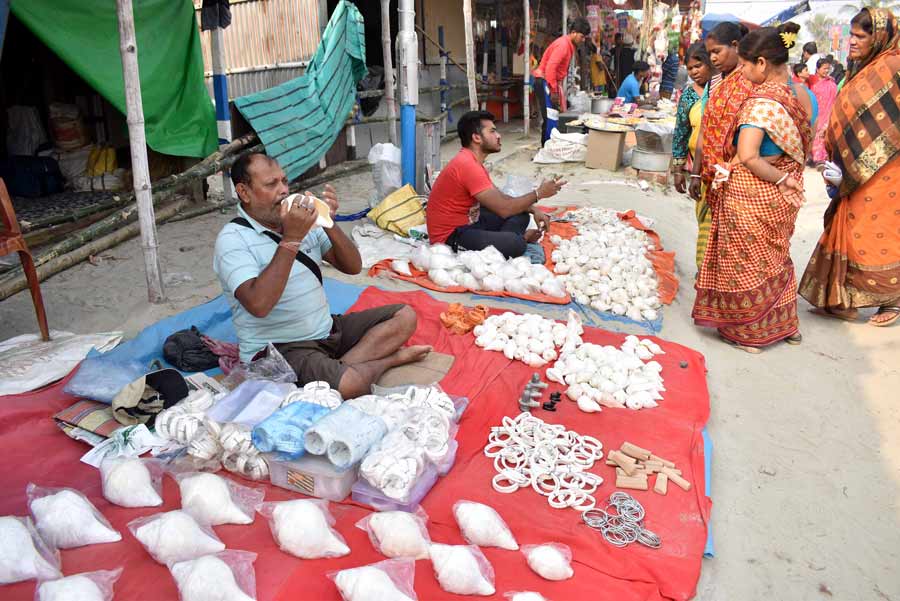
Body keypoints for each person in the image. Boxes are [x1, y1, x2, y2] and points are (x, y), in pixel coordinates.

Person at [213, 153, 431, 399]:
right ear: (244, 192)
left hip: (326, 330)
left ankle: (340, 367)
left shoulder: (301, 222)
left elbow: (352, 266)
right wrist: (291, 239)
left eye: (284, 181)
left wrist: (328, 221)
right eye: (271, 184)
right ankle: (389, 360)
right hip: (280, 348)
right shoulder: (232, 240)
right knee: (350, 386)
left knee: (405, 316)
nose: (283, 190)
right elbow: (259, 305)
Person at [693, 22, 813, 352]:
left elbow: (748, 155)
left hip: (753, 192)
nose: (742, 73)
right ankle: (786, 326)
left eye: (745, 65)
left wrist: (779, 178)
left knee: (746, 264)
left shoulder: (759, 104)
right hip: (783, 196)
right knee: (777, 259)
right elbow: (797, 148)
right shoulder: (799, 96)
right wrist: (786, 177)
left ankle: (749, 333)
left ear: (761, 63)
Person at [799, 8, 900, 327]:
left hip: (886, 170)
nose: (852, 41)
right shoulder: (863, 68)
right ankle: (843, 298)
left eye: (860, 36)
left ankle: (892, 298)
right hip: (852, 167)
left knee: (874, 232)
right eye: (852, 35)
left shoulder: (893, 67)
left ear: (878, 37)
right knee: (851, 226)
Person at [426, 111, 565, 258]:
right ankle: (516, 239)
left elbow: (501, 198)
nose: (498, 136)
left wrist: (534, 209)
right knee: (515, 244)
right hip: (450, 237)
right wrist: (539, 194)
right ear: (476, 137)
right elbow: (504, 209)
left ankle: (503, 240)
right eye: (492, 131)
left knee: (522, 214)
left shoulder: (473, 162)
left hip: (470, 222)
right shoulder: (467, 165)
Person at [672, 43, 714, 268]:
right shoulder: (688, 96)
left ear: (710, 63)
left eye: (699, 66)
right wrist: (678, 170)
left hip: (721, 167)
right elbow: (681, 132)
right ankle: (704, 268)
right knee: (705, 218)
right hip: (699, 167)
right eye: (690, 68)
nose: (694, 72)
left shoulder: (721, 89)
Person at [533, 17, 591, 145]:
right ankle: (548, 146)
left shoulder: (568, 44)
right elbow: (550, 68)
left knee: (551, 117)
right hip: (545, 81)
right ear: (574, 32)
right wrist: (554, 91)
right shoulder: (564, 45)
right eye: (582, 36)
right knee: (551, 118)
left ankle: (547, 145)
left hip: (548, 81)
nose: (583, 40)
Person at [809, 57, 838, 165]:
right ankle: (813, 157)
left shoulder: (831, 83)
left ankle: (821, 158)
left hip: (827, 113)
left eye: (828, 69)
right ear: (817, 69)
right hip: (815, 113)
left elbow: (834, 99)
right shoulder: (812, 82)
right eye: (824, 68)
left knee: (823, 134)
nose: (826, 71)